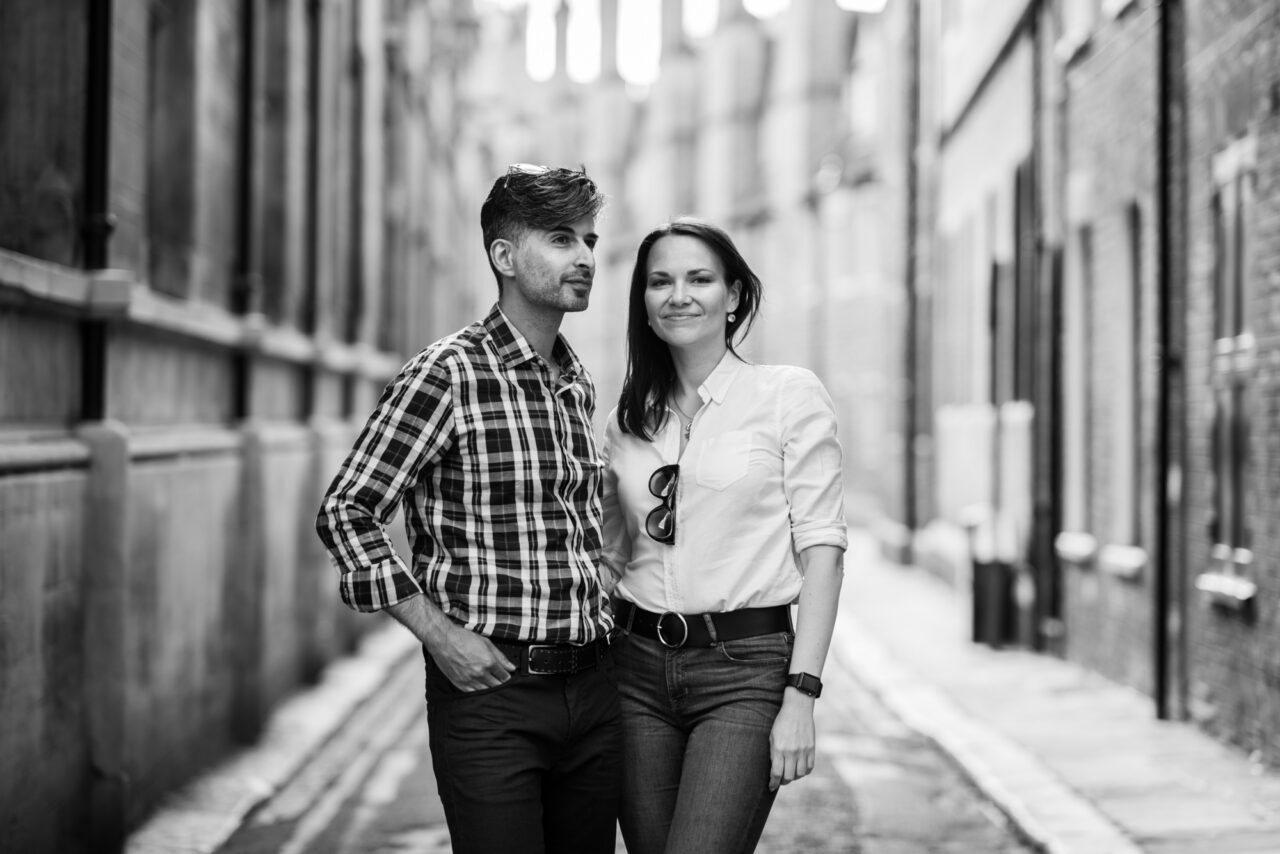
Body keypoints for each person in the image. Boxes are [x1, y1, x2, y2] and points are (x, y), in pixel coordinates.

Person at [316, 164, 620, 854]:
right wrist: (440, 636)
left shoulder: (574, 381)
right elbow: (347, 512)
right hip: (493, 698)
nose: (585, 259)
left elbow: (573, 522)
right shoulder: (446, 374)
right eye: (561, 239)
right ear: (504, 257)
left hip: (597, 693)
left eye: (590, 240)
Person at [600, 217, 848, 854]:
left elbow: (822, 550)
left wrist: (802, 696)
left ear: (733, 296)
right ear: (645, 305)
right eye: (660, 282)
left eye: (699, 278)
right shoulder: (625, 420)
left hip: (745, 673)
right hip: (633, 674)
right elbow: (611, 552)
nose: (678, 294)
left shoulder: (788, 396)